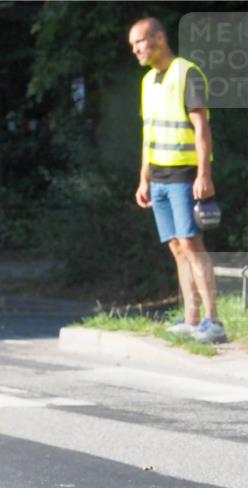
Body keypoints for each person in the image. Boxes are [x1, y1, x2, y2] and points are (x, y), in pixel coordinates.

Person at [129, 17, 226, 344]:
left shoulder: (187, 73)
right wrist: (143, 179)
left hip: (185, 176)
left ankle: (214, 321)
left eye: (140, 42)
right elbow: (148, 136)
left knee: (191, 244)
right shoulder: (147, 82)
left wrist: (204, 173)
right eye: (132, 45)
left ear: (159, 38)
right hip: (157, 178)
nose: (136, 50)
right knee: (176, 247)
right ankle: (191, 319)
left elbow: (202, 129)